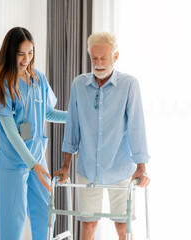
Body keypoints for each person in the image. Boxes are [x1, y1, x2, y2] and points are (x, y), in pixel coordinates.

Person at [55, 31, 150, 240]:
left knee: (121, 225)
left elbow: (137, 127)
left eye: (103, 58)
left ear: (115, 57)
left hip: (119, 167)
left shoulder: (129, 85)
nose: (98, 63)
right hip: (88, 167)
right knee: (88, 225)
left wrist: (141, 167)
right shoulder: (79, 84)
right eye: (94, 58)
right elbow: (73, 126)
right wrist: (65, 165)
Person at [0, 27, 66, 240]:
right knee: (13, 224)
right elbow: (11, 132)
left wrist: (74, 116)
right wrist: (33, 165)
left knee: (45, 217)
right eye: (21, 53)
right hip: (13, 163)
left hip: (38, 160)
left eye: (30, 52)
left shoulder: (38, 78)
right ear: (10, 53)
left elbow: (48, 112)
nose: (26, 59)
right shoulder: (4, 83)